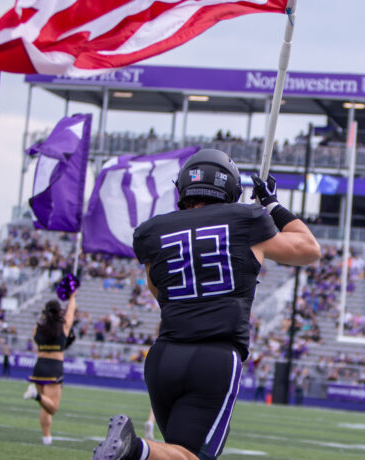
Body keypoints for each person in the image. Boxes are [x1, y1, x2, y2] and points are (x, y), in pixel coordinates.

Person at [93, 149, 321, 460]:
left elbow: (159, 293)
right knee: (191, 456)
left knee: (174, 452)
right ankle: (135, 449)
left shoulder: (152, 232)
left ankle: (138, 450)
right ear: (230, 188)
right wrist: (272, 204)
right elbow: (309, 249)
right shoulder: (246, 220)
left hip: (164, 357)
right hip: (213, 357)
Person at [22, 273, 79, 446]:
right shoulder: (63, 327)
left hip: (39, 367)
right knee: (52, 407)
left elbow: (38, 337)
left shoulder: (36, 328)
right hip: (54, 368)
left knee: (45, 407)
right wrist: (73, 296)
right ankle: (35, 394)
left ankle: (47, 438)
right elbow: (71, 312)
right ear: (58, 313)